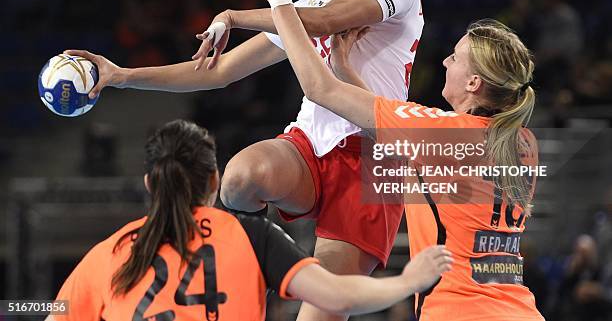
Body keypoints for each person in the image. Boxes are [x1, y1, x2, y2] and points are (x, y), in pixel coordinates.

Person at [66, 0, 458, 321]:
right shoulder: (304, 4)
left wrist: (240, 12)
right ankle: (249, 272)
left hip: (370, 157)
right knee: (240, 177)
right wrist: (121, 75)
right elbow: (219, 72)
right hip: (309, 144)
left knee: (322, 312)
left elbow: (328, 20)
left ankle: (284, 272)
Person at [254, 0, 545, 320]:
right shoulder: (522, 142)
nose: (445, 63)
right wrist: (345, 69)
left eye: (456, 59)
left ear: (474, 83)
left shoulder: (440, 132)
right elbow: (393, 134)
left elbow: (317, 88)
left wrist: (278, 0)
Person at [45, 119, 452, 321]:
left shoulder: (113, 251)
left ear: (150, 183)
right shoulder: (250, 235)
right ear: (215, 180)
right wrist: (409, 281)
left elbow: (55, 309)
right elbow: (339, 297)